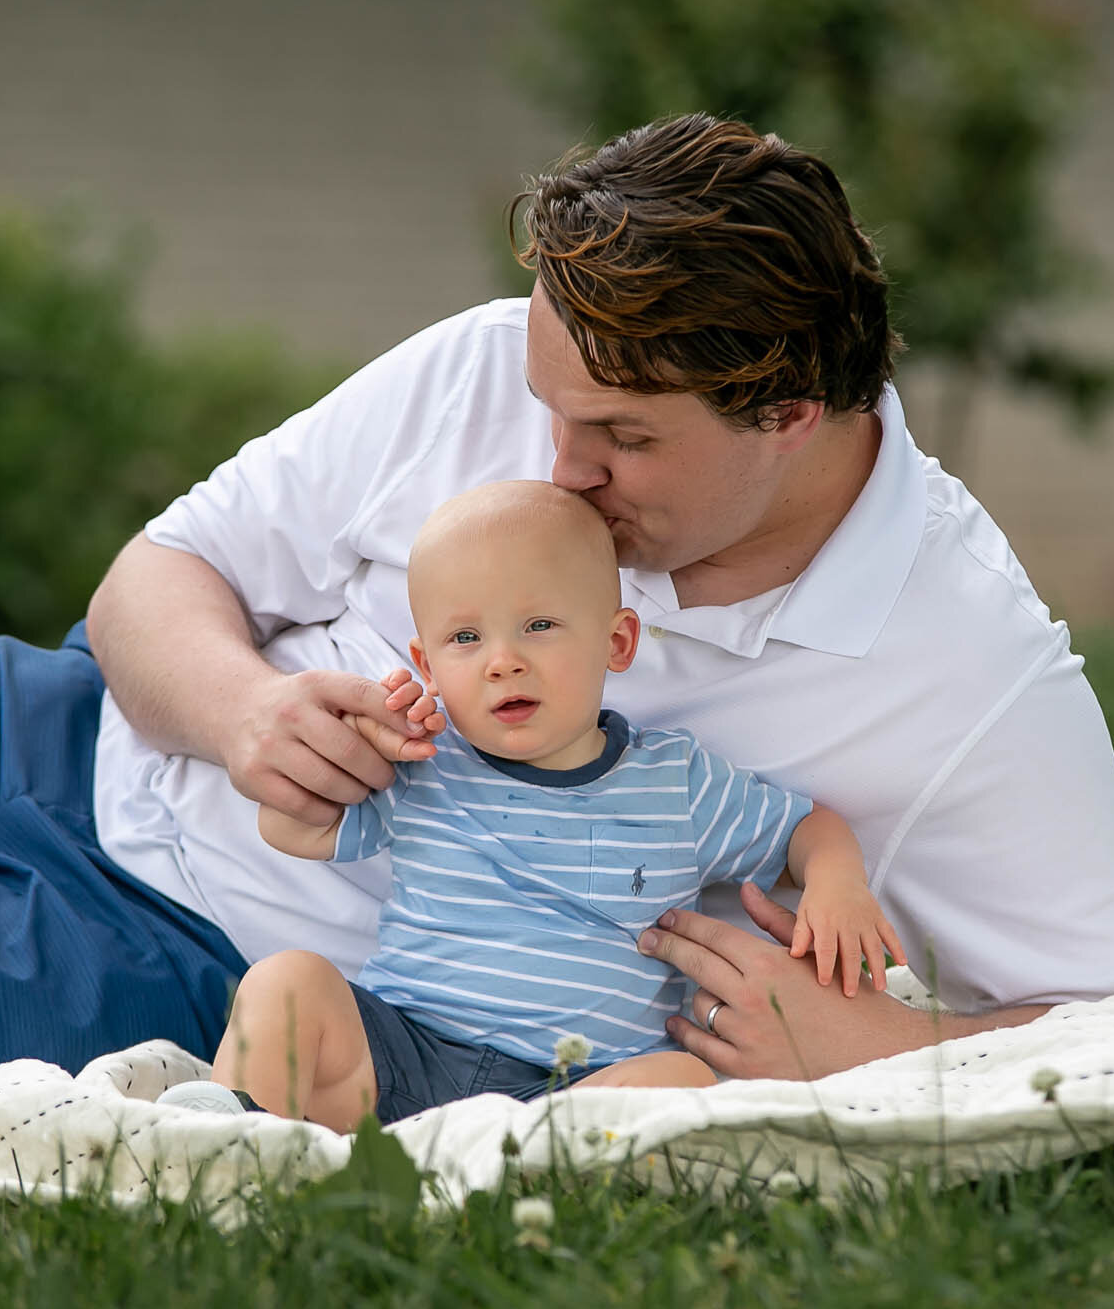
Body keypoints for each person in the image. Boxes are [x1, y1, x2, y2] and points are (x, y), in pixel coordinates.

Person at [0, 113, 1114, 1090]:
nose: (551, 463)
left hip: (165, 962)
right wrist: (249, 712)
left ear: (790, 411)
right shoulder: (488, 377)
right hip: (37, 735)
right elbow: (151, 582)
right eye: (549, 405)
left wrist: (848, 1046)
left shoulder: (970, 680)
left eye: (621, 440)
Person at [197, 481, 901, 1129]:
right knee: (287, 980)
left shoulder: (678, 785)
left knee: (680, 1078)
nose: (502, 660)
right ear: (429, 666)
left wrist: (836, 881)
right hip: (397, 1061)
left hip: (570, 1092)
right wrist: (346, 747)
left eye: (538, 625)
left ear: (616, 640)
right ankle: (227, 1145)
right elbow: (293, 826)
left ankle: (517, 1188)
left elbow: (809, 826)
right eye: (466, 638)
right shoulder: (422, 761)